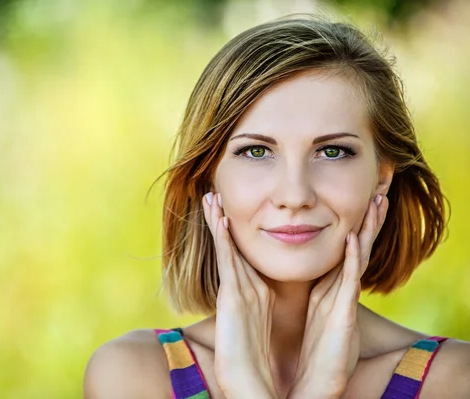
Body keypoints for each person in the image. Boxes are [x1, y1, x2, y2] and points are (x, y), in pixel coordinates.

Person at [83, 15, 470, 398]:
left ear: (382, 176)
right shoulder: (132, 376)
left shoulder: (455, 381)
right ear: (209, 177)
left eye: (332, 152)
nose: (295, 194)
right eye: (256, 151)